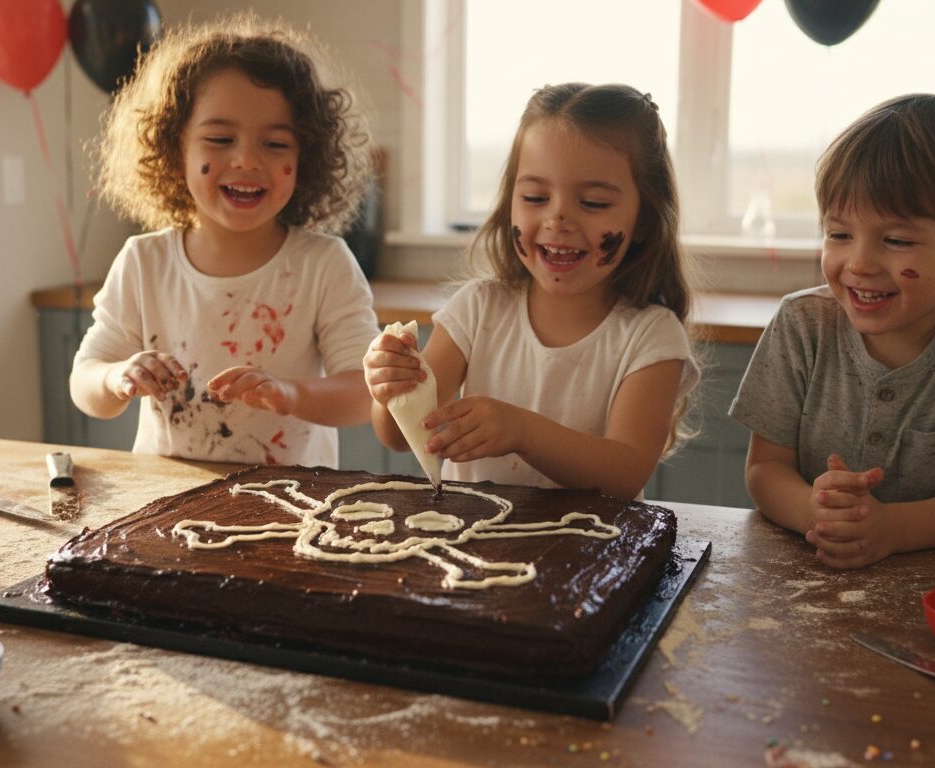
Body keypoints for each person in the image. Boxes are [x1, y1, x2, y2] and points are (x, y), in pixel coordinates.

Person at [729, 93, 935, 569]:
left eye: (897, 240)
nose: (859, 264)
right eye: (839, 234)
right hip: (809, 566)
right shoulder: (802, 323)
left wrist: (892, 529)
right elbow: (766, 469)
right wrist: (821, 513)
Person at [363, 83, 700, 500]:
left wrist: (521, 430)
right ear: (510, 204)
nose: (558, 217)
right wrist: (391, 391)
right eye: (535, 196)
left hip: (594, 554)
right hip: (474, 549)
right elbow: (401, 437)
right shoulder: (478, 309)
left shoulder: (651, 335)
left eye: (593, 202)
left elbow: (625, 473)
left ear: (645, 221)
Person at [70, 15, 380, 466]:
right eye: (219, 138)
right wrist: (117, 376)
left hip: (290, 505)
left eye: (275, 144)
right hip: (164, 505)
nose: (246, 160)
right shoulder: (144, 262)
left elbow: (363, 392)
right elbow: (85, 382)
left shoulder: (323, 264)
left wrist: (291, 394)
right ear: (177, 149)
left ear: (306, 155)